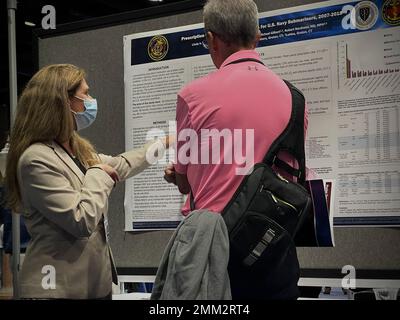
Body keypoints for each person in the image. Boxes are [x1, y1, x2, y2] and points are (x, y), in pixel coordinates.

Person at [164, 0, 308, 299]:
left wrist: (177, 173)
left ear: (211, 39)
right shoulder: (295, 99)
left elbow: (184, 182)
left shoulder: (193, 96)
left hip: (215, 254)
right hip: (273, 248)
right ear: (258, 36)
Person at [5, 64, 168, 299]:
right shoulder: (35, 158)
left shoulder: (74, 149)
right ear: (63, 101)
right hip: (55, 289)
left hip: (92, 286)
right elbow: (81, 220)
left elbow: (120, 164)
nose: (91, 101)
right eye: (86, 94)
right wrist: (98, 173)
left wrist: (164, 143)